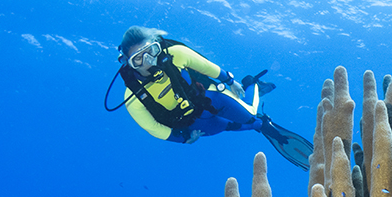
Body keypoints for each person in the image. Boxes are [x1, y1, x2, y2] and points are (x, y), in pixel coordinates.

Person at [107, 26, 313, 169]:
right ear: (127, 62)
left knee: (249, 114)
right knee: (229, 126)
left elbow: (207, 67)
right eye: (138, 59)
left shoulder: (175, 53)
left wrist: (231, 81)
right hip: (193, 124)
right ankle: (261, 125)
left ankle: (253, 85)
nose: (148, 61)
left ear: (157, 47)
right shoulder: (132, 96)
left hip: (213, 100)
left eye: (150, 51)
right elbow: (152, 127)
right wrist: (184, 139)